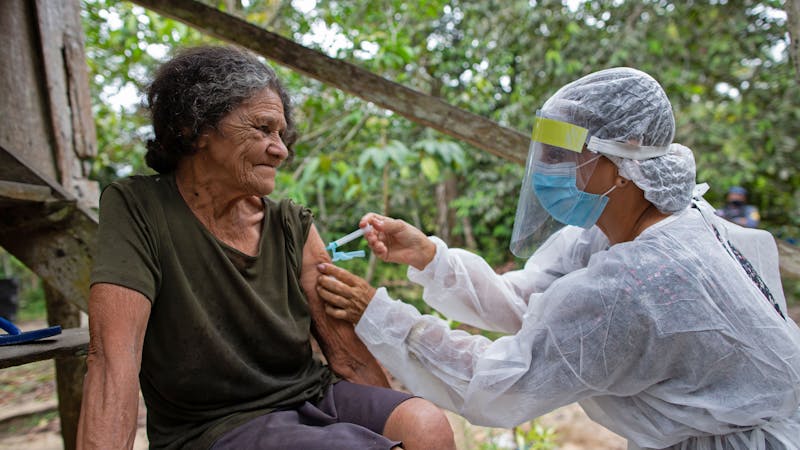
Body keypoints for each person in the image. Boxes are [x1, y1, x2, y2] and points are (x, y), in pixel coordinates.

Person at [316, 67, 800, 449]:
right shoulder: (635, 226)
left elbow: (501, 382)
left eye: (561, 155)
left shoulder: (639, 282)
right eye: (544, 154)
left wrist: (384, 319)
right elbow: (530, 300)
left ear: (625, 155)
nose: (547, 170)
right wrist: (430, 257)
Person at [77, 45, 455, 450]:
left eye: (280, 133)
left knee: (426, 425)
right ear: (195, 127)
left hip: (311, 394)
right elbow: (112, 359)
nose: (281, 149)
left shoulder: (291, 224)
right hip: (216, 425)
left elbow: (347, 356)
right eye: (262, 128)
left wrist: (383, 427)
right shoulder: (140, 208)